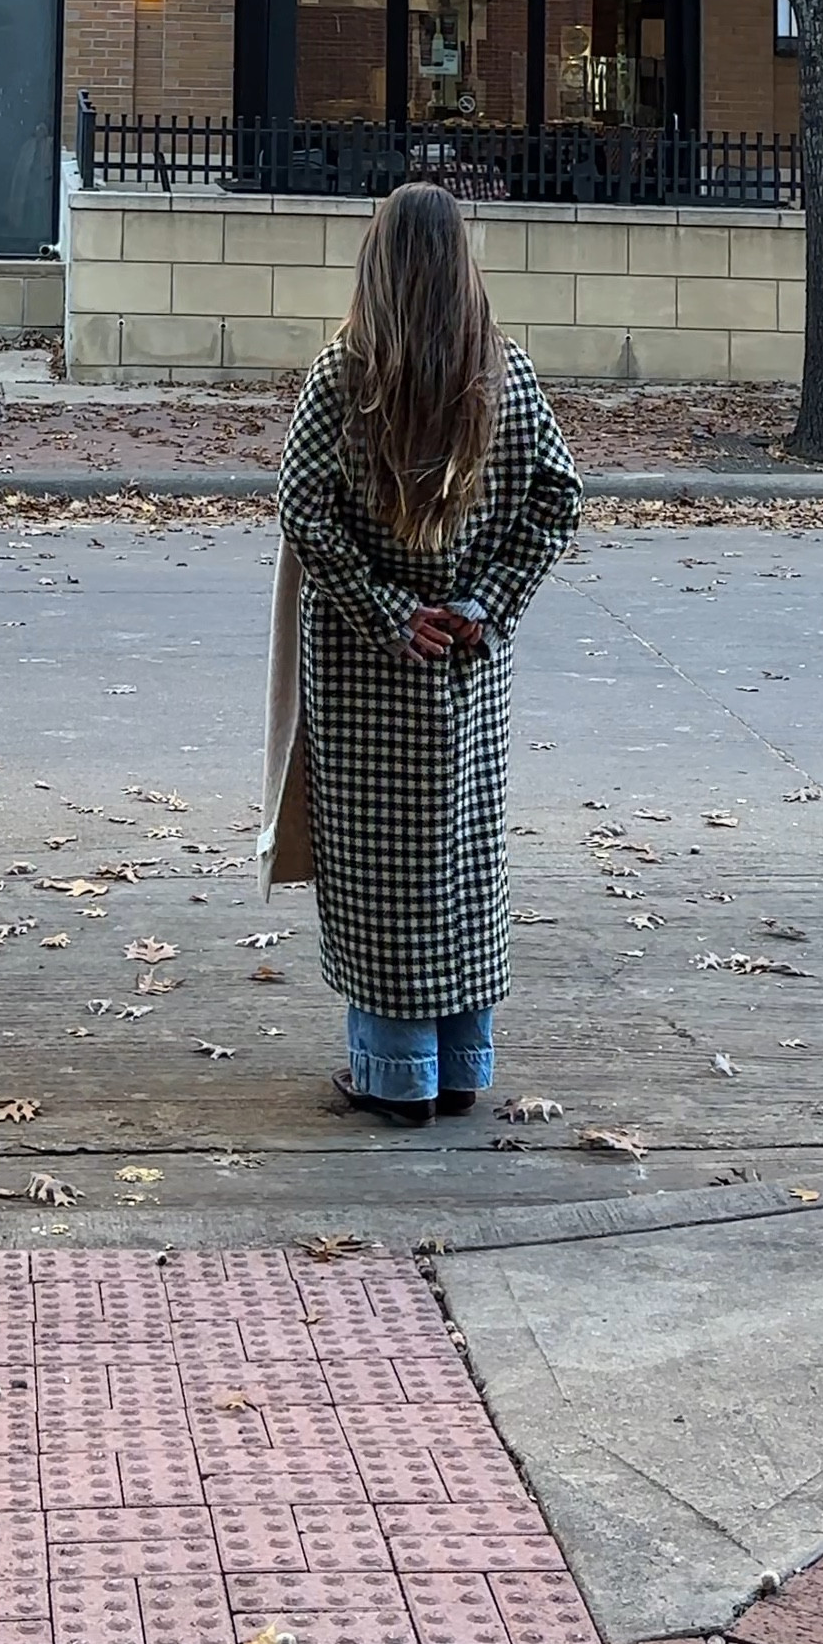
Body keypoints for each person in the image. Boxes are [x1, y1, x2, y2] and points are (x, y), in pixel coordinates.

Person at [260, 180, 580, 1126]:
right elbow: (558, 501)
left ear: (379, 265)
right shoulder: (507, 377)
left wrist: (388, 609)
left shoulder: (345, 378)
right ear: (464, 267)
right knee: (462, 857)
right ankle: (462, 1064)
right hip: (468, 675)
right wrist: (484, 604)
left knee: (377, 867)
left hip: (367, 671)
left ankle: (394, 1073)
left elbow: (301, 509)